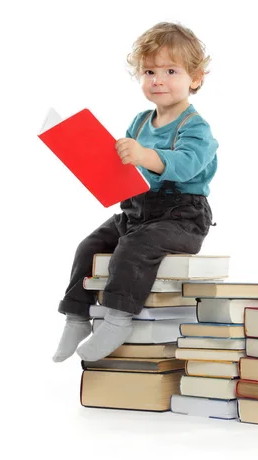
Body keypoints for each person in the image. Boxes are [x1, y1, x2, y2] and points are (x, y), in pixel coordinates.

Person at [52, 21, 218, 363]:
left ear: (196, 78)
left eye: (171, 70)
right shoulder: (141, 122)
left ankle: (117, 318)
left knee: (134, 247)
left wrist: (143, 155)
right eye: (149, 71)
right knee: (90, 246)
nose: (158, 79)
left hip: (182, 216)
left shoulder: (195, 127)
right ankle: (77, 317)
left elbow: (187, 165)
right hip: (138, 209)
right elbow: (124, 167)